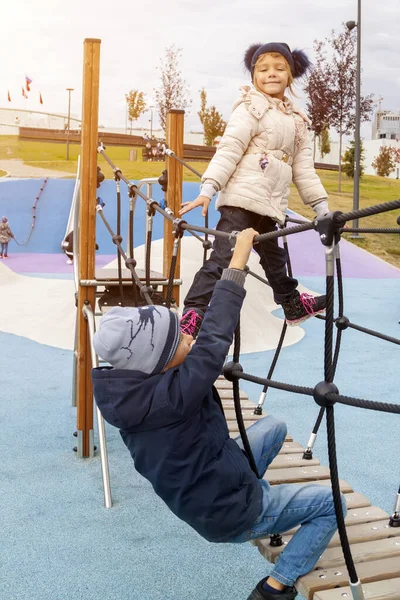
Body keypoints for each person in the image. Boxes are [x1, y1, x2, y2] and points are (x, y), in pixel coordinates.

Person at [92, 229, 345, 600]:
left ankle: (263, 498)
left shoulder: (132, 388)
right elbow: (214, 338)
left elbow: (195, 352)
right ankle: (277, 585)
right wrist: (238, 258)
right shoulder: (174, 396)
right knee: (332, 504)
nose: (188, 338)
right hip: (228, 513)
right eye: (179, 339)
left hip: (209, 480)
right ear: (159, 363)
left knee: (274, 427)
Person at [179, 42, 331, 337]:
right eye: (263, 69)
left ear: (290, 75)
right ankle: (194, 312)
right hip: (240, 200)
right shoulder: (251, 108)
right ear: (253, 77)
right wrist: (208, 189)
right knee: (223, 256)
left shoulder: (298, 122)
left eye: (279, 68)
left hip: (269, 204)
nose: (271, 74)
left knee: (275, 259)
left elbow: (304, 169)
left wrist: (322, 208)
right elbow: (229, 149)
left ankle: (291, 304)